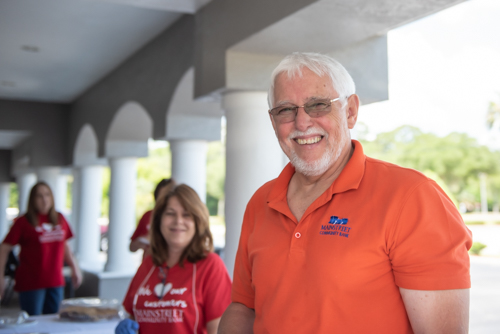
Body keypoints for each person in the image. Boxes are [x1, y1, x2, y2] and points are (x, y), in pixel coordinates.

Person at [218, 52, 472, 333]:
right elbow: (244, 307)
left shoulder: (413, 197)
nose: (302, 123)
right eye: (286, 110)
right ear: (273, 120)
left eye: (318, 105)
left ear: (350, 111)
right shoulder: (260, 201)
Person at [116, 184, 232, 334]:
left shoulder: (210, 265)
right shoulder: (148, 264)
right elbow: (131, 315)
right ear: (159, 221)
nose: (178, 221)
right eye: (170, 213)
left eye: (187, 215)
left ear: (198, 221)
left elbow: (219, 329)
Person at [0, 181, 82, 315]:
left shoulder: (60, 218)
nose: (44, 199)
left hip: (55, 280)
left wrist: (75, 268)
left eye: (47, 195)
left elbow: (65, 245)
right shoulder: (23, 221)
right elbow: (4, 247)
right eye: (39, 196)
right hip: (31, 282)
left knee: (54, 321)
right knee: (33, 323)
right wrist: (0, 277)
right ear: (33, 199)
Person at [129, 178, 176, 257]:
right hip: (150, 264)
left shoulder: (180, 220)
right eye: (160, 197)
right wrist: (142, 241)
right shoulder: (148, 216)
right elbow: (131, 247)